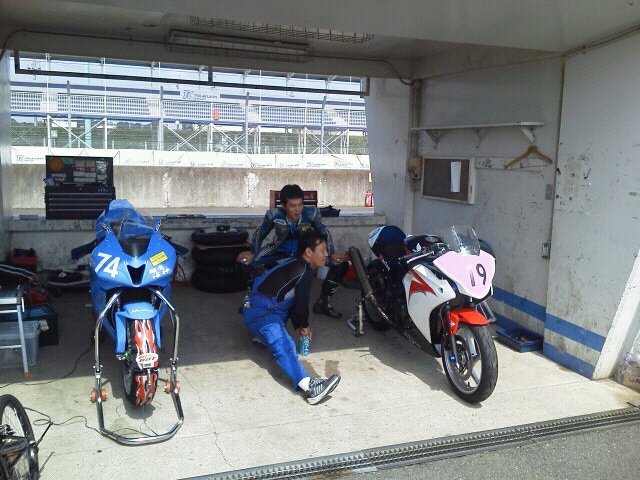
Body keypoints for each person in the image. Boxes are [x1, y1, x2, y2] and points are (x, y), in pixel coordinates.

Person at [242, 230, 341, 404]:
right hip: (260, 312)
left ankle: (263, 337)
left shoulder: (297, 264)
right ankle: (310, 388)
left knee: (285, 308)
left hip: (261, 307)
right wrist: (304, 326)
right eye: (323, 250)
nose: (326, 254)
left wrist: (298, 326)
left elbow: (293, 303)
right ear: (309, 252)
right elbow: (301, 306)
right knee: (284, 344)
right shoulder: (304, 271)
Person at [237, 184, 348, 318]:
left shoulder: (312, 214)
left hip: (303, 253)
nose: (297, 210)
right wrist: (252, 252)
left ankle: (323, 302)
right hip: (279, 249)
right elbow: (260, 233)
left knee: (341, 264)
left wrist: (332, 252)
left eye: (300, 205)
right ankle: (254, 300)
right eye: (292, 206)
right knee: (243, 261)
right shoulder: (274, 214)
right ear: (284, 206)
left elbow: (324, 232)